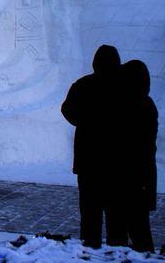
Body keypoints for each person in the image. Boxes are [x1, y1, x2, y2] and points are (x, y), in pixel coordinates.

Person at [61, 44, 123, 249]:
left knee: (90, 212)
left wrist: (84, 121)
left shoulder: (83, 84)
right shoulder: (124, 85)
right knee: (116, 213)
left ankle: (89, 249)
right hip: (117, 160)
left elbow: (67, 110)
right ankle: (117, 250)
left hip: (88, 159)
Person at [119, 59, 158, 252]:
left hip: (134, 175)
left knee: (137, 226)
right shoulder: (145, 103)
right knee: (138, 224)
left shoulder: (133, 105)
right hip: (141, 173)